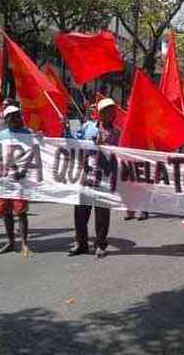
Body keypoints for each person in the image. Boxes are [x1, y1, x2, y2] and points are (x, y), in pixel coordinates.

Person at [68, 98, 119, 259]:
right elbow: (73, 140)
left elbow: (121, 154)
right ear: (100, 113)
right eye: (107, 110)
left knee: (102, 214)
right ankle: (81, 243)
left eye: (113, 110)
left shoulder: (117, 133)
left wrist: (106, 147)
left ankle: (100, 244)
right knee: (80, 213)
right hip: (86, 176)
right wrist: (65, 128)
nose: (111, 113)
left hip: (104, 178)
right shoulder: (88, 127)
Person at [0, 106, 32, 256]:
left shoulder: (27, 134)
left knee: (21, 212)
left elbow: (33, 153)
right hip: (4, 180)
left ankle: (24, 244)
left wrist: (23, 170)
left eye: (17, 115)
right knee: (6, 212)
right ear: (6, 119)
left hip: (20, 180)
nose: (16, 119)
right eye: (12, 116)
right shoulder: (0, 135)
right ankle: (10, 242)